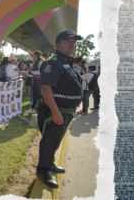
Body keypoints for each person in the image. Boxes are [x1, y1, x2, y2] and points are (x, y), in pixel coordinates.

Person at [36, 30, 83, 189]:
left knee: (55, 140)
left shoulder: (66, 61)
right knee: (48, 141)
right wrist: (56, 112)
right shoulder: (53, 61)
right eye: (69, 41)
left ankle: (50, 164)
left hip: (65, 111)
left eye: (74, 41)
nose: (73, 44)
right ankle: (43, 170)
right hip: (55, 111)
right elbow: (45, 88)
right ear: (57, 44)